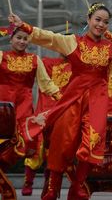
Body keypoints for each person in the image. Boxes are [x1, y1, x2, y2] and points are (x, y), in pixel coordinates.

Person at [8, 2, 112, 200]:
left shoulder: (110, 47)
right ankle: (53, 187)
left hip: (97, 101)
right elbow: (50, 38)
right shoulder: (73, 42)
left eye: (105, 22)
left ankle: (78, 185)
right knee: (62, 142)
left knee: (94, 141)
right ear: (88, 20)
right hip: (74, 98)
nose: (101, 24)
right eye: (97, 20)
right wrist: (25, 26)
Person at [0, 28, 61, 195]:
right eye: (18, 38)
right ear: (11, 39)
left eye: (25, 38)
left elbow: (46, 83)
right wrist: (4, 31)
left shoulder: (35, 60)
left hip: (24, 108)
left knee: (25, 141)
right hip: (4, 106)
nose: (22, 41)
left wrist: (60, 97)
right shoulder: (2, 56)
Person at [22, 54, 72, 196]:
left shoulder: (77, 66)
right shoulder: (46, 62)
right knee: (37, 147)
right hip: (43, 111)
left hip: (63, 112)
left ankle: (49, 184)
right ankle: (28, 182)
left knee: (55, 150)